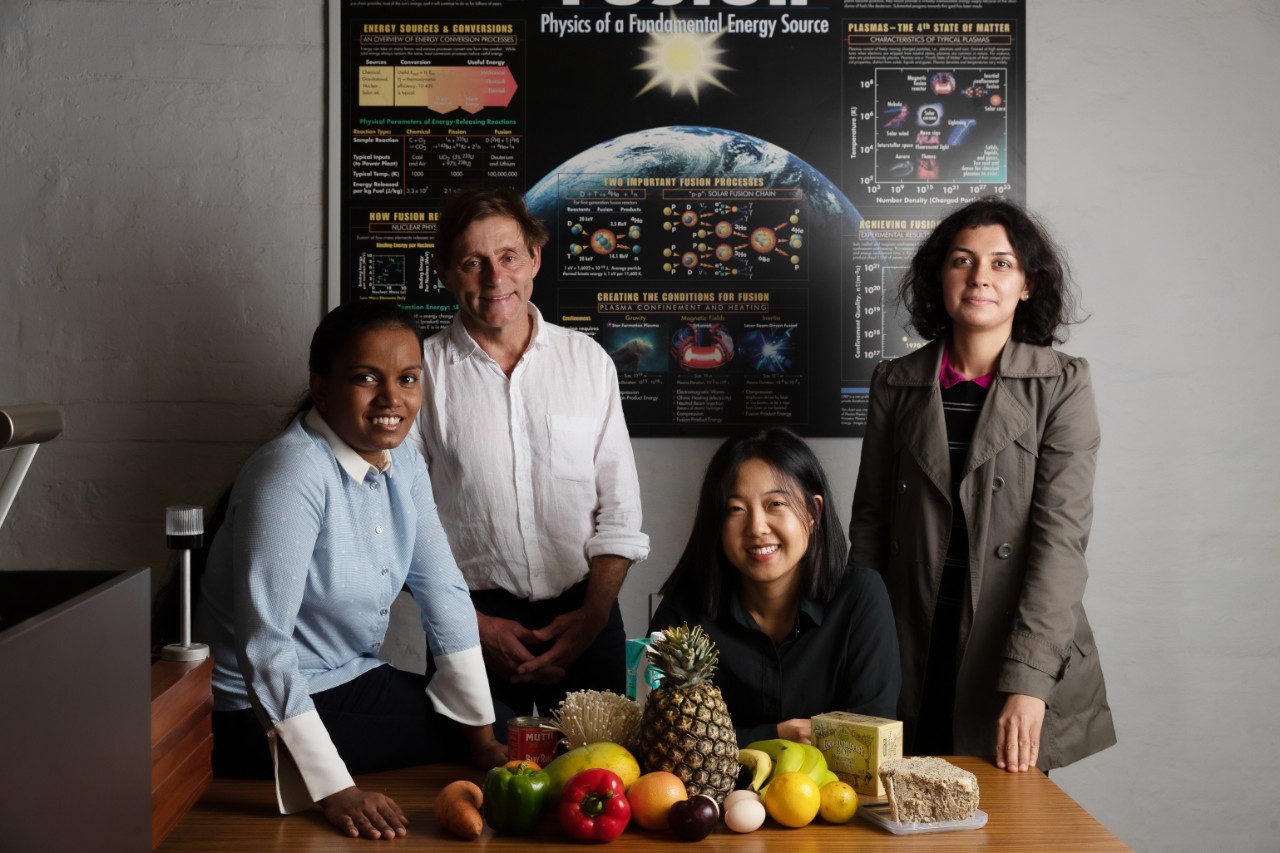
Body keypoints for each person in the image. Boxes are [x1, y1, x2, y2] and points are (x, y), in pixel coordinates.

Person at [194, 301, 508, 841]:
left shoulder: (403, 458)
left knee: (496, 723)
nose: (392, 399)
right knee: (471, 732)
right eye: (367, 378)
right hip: (251, 710)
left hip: (347, 676)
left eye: (408, 379)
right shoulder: (292, 471)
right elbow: (264, 647)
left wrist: (480, 738)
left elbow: (443, 589)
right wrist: (334, 790)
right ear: (321, 388)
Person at [847, 197, 1116, 773]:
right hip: (907, 642)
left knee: (1004, 825)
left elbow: (1060, 544)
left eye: (1001, 264)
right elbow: (870, 526)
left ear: (1027, 285)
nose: (979, 278)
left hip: (1006, 645)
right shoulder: (895, 383)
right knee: (898, 814)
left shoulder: (1063, 386)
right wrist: (861, 653)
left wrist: (1030, 681)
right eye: (961, 261)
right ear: (938, 278)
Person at [411, 187, 649, 718]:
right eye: (473, 263)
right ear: (445, 272)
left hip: (587, 614)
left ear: (535, 259)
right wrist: (476, 626)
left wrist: (592, 618)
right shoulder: (417, 375)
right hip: (469, 623)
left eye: (509, 256)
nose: (496, 279)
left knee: (605, 780)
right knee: (467, 787)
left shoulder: (587, 363)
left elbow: (620, 509)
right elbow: (401, 526)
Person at [650, 428, 901, 746]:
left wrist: (733, 741)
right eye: (735, 509)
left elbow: (875, 737)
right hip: (709, 796)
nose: (756, 527)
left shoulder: (861, 598)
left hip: (836, 794)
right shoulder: (683, 614)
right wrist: (775, 736)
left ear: (813, 513)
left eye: (776, 504)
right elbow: (661, 738)